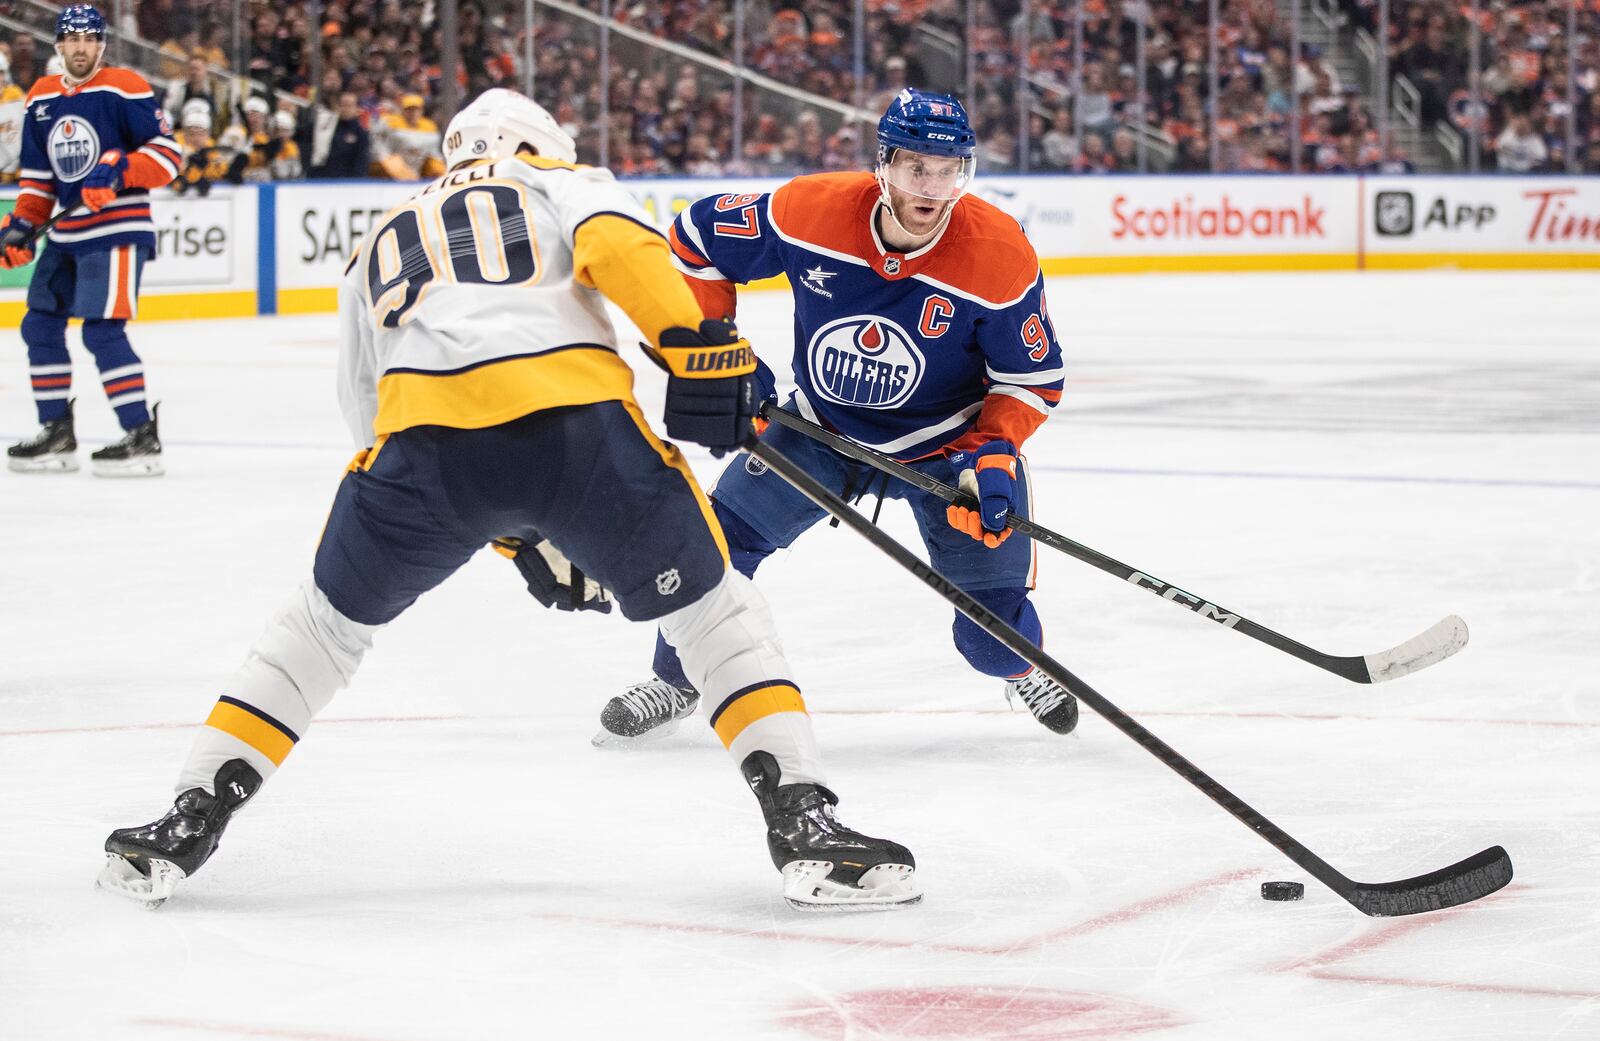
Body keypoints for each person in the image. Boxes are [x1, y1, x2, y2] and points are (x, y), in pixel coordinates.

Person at [96, 88, 920, 914]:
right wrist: (700, 346)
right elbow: (620, 247)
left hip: (418, 448)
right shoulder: (555, 179)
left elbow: (363, 405)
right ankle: (803, 823)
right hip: (576, 426)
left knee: (317, 629)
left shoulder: (380, 234)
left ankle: (186, 818)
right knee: (715, 614)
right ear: (536, 141)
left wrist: (507, 533)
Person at [594, 89, 1076, 746]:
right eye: (915, 167)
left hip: (948, 451)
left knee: (990, 638)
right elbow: (694, 239)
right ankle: (678, 678)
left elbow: (1031, 377)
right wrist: (718, 350)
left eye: (949, 169)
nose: (932, 187)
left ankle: (1021, 664)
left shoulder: (998, 254)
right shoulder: (808, 211)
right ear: (883, 164)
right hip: (818, 430)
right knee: (712, 547)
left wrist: (992, 450)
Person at [1, 5, 180, 476]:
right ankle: (56, 432)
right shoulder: (40, 98)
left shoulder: (125, 86)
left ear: (102, 44)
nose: (80, 47)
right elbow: (39, 179)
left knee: (102, 332)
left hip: (117, 230)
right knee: (39, 325)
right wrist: (22, 225)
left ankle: (141, 436)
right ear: (58, 45)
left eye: (89, 39)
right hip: (65, 232)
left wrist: (121, 170)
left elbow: (168, 154)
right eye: (72, 39)